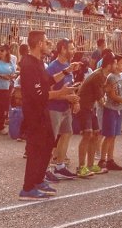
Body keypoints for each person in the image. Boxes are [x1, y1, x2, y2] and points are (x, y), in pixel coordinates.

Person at [19, 31, 78, 200]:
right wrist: (62, 93)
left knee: (47, 145)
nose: (49, 44)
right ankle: (27, 188)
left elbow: (48, 81)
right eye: (46, 42)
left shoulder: (38, 63)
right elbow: (39, 94)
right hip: (34, 113)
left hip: (41, 111)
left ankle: (38, 180)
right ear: (39, 44)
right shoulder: (29, 65)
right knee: (35, 149)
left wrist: (66, 72)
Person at [46, 39, 82, 179]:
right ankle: (47, 169)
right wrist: (67, 98)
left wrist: (74, 100)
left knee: (67, 134)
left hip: (65, 107)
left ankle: (60, 166)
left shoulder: (68, 65)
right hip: (54, 108)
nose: (74, 51)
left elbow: (69, 85)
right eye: (71, 48)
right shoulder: (52, 68)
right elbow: (48, 94)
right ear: (62, 49)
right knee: (51, 139)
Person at [75, 51, 114, 177]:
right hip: (84, 106)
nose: (117, 66)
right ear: (109, 65)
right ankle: (81, 167)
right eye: (115, 63)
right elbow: (101, 99)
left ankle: (91, 165)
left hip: (90, 107)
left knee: (95, 134)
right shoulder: (98, 76)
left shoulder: (103, 75)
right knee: (87, 134)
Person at [99, 55, 122, 171]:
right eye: (121, 63)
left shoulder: (120, 76)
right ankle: (102, 159)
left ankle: (110, 159)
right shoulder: (111, 77)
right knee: (108, 135)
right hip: (111, 109)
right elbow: (112, 95)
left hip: (118, 109)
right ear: (116, 64)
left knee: (113, 136)